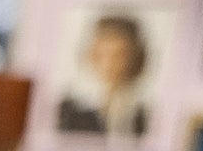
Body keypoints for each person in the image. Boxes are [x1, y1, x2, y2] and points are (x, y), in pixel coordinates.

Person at [56, 10, 151, 140]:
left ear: (135, 58)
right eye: (102, 55)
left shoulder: (143, 115)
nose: (109, 64)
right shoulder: (67, 110)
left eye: (119, 56)